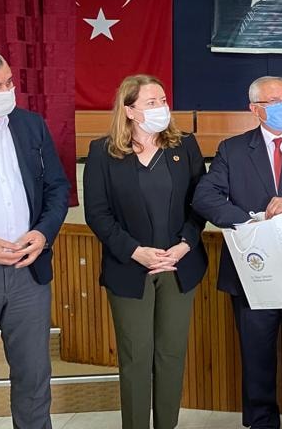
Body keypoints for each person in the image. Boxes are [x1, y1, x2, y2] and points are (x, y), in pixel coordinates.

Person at [192, 76, 282, 429]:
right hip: (252, 271)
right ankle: (261, 422)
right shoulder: (232, 149)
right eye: (273, 101)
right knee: (256, 355)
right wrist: (248, 222)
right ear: (254, 109)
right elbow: (205, 197)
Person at [83, 75, 207, 429]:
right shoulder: (102, 152)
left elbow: (200, 202)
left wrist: (184, 245)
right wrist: (136, 252)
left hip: (178, 267)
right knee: (136, 357)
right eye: (152, 102)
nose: (161, 107)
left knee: (171, 354)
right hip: (129, 268)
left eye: (163, 100)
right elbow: (98, 214)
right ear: (129, 110)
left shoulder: (185, 145)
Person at [0, 47, 69, 428]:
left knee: (34, 380)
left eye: (9, 82)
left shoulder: (31, 125)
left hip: (28, 272)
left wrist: (43, 233)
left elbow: (57, 188)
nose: (7, 92)